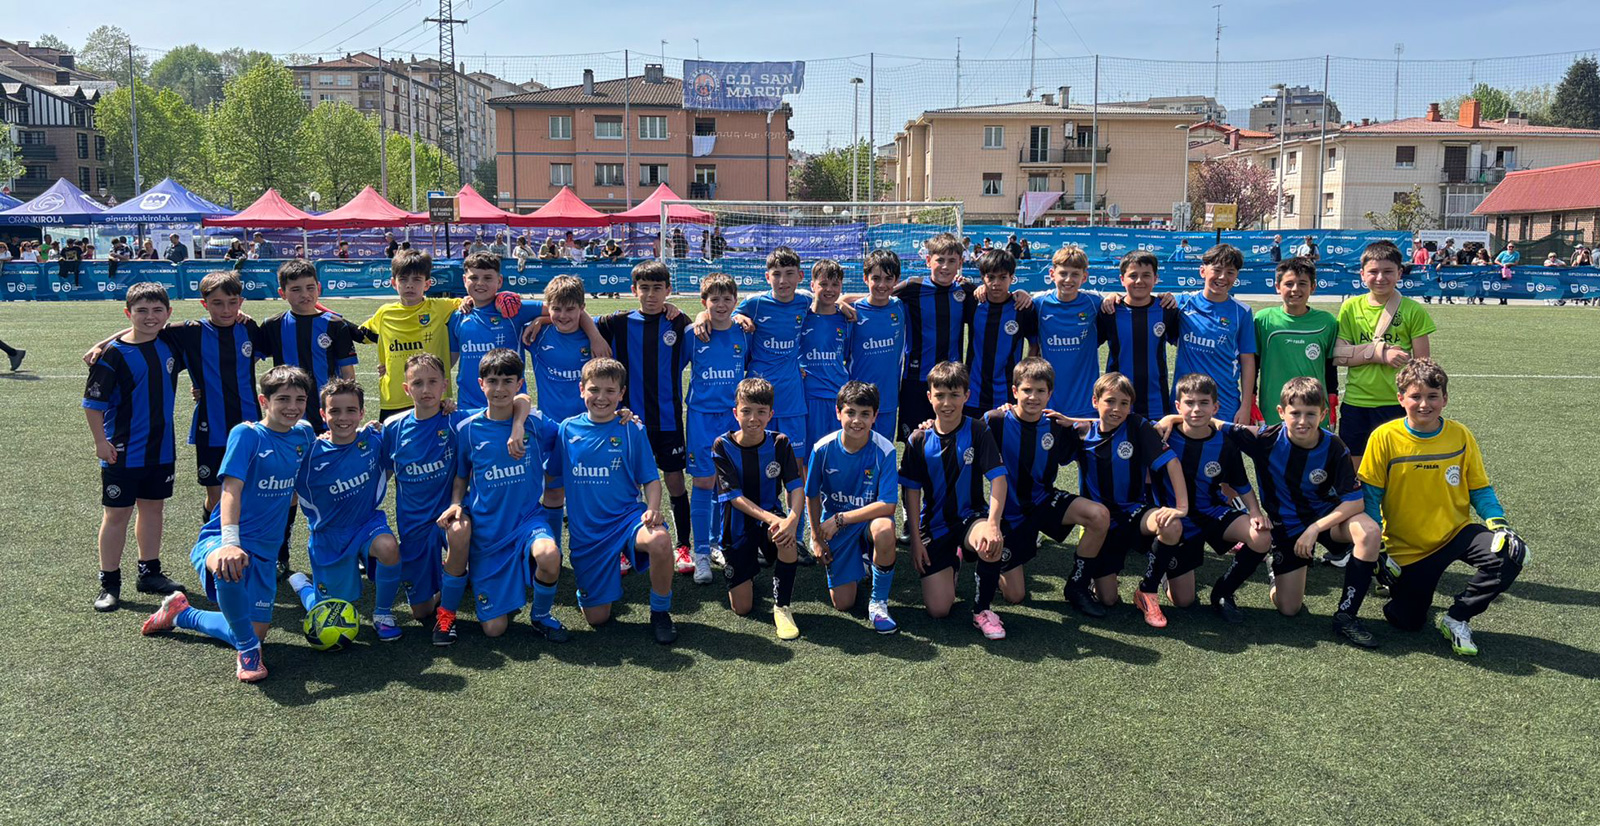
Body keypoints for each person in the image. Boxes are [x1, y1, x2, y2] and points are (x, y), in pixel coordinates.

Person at [140, 366, 317, 682]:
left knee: (252, 630)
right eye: (283, 399)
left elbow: (307, 478)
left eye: (300, 399)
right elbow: (231, 490)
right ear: (264, 401)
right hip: (222, 538)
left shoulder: (304, 434)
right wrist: (230, 542)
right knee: (229, 567)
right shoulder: (247, 435)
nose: (293, 406)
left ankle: (182, 614)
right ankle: (248, 653)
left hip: (266, 550)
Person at [1360, 359, 1525, 656]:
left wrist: (1499, 523)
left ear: (1445, 399)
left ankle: (1457, 617)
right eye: (1415, 396)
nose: (1424, 404)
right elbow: (1371, 496)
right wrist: (1377, 549)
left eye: (1433, 396)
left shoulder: (1460, 435)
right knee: (1408, 622)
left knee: (1510, 554)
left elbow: (1479, 488)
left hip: (1456, 533)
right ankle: (1395, 587)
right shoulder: (1384, 437)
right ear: (1400, 399)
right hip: (1408, 548)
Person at [1209, 376, 1383, 647]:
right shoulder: (1265, 438)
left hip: (1327, 520)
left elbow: (1355, 502)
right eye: (1295, 413)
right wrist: (1171, 419)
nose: (1303, 421)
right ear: (1281, 412)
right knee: (1289, 608)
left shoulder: (1334, 446)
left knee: (1369, 531)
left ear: (1323, 414)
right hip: (1287, 528)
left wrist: (1315, 529)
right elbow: (1213, 422)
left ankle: (1346, 616)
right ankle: (1275, 569)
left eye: (1311, 414)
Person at [434, 349, 564, 644]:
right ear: (481, 384)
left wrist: (618, 415)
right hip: (488, 533)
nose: (500, 388)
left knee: (549, 554)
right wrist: (456, 503)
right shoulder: (467, 428)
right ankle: (446, 614)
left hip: (527, 522)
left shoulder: (534, 423)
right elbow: (461, 475)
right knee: (494, 629)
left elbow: (571, 429)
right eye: (493, 381)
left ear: (519, 383)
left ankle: (541, 615)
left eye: (508, 381)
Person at [553, 357, 679, 644]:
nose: (601, 397)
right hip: (588, 535)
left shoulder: (631, 429)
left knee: (660, 540)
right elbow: (552, 482)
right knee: (598, 619)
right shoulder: (566, 430)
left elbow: (651, 480)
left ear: (621, 394)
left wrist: (653, 509)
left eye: (610, 391)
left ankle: (660, 611)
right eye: (594, 390)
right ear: (581, 390)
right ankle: (595, 584)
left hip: (626, 520)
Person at [83, 282, 189, 611]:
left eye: (157, 310)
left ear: (168, 313)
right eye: (141, 311)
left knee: (153, 509)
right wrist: (100, 442)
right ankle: (109, 583)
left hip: (162, 447)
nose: (150, 317)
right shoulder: (113, 355)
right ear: (128, 313)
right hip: (123, 449)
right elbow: (93, 404)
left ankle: (149, 572)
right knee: (117, 514)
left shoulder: (170, 343)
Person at [982, 357, 1109, 614]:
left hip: (1043, 501)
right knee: (1015, 596)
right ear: (1014, 391)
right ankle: (982, 555)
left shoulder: (1056, 424)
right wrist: (928, 425)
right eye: (1027, 390)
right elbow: (961, 432)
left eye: (1040, 391)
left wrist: (1072, 421)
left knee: (1099, 515)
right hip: (1008, 513)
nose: (1033, 397)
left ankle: (1077, 585)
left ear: (1050, 394)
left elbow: (1111, 423)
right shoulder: (995, 420)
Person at [286, 378, 404, 640]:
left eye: (351, 410)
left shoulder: (372, 440)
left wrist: (446, 405)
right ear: (322, 414)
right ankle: (304, 588)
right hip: (330, 537)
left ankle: (383, 613)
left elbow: (403, 436)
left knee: (388, 547)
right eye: (335, 411)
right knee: (329, 615)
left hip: (366, 524)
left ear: (361, 413)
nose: (343, 418)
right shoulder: (308, 455)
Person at [596, 260, 693, 574]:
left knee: (675, 481)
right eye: (644, 288)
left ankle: (683, 546)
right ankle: (624, 546)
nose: (651, 295)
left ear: (668, 290)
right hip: (628, 421)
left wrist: (679, 310)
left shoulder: (678, 322)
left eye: (657, 288)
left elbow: (707, 322)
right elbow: (576, 316)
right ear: (633, 290)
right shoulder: (616, 322)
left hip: (667, 420)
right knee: (627, 484)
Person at [902, 361, 1010, 638]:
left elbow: (998, 479)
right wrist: (916, 541)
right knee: (939, 609)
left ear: (966, 395)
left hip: (970, 517)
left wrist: (993, 524)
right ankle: (955, 560)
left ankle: (982, 611)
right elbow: (911, 493)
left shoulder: (978, 431)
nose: (947, 403)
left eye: (954, 395)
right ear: (929, 397)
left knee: (989, 541)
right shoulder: (918, 439)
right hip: (935, 525)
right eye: (940, 395)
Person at [1152, 374, 1272, 622]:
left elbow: (1241, 484)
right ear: (1178, 406)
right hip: (1178, 521)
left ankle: (1223, 591)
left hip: (1212, 511)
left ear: (1215, 407)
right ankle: (1165, 567)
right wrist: (1168, 419)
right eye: (1190, 403)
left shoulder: (1225, 442)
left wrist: (1255, 512)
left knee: (1261, 537)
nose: (1196, 409)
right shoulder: (1163, 434)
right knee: (1183, 601)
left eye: (1204, 403)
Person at [1074, 373, 1187, 628]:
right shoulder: (1080, 433)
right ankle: (1094, 574)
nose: (1117, 409)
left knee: (1171, 524)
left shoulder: (1137, 426)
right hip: (1102, 523)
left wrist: (1181, 507)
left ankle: (1148, 590)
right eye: (1110, 401)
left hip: (1135, 512)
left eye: (1124, 403)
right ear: (1095, 401)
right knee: (1108, 599)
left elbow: (1171, 462)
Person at [712, 378, 806, 638]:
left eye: (761, 411)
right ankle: (747, 570)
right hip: (736, 527)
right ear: (736, 412)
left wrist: (792, 519)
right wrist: (775, 520)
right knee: (742, 608)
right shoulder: (722, 445)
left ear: (771, 414)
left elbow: (796, 487)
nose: (753, 418)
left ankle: (782, 606)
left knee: (786, 539)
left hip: (769, 521)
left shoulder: (780, 443)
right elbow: (735, 498)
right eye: (746, 411)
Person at [1334, 241, 1435, 481]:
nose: (1380, 277)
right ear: (1362, 274)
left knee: (1395, 469)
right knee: (1354, 471)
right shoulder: (1350, 307)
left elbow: (1422, 365)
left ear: (1399, 273)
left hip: (1396, 402)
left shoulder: (1413, 310)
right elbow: (1339, 355)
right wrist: (1381, 353)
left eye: (1388, 271)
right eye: (1373, 271)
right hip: (1356, 402)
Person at [806, 381, 900, 634]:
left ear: (875, 416)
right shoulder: (822, 449)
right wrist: (816, 538)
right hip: (837, 528)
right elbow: (811, 495)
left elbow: (888, 504)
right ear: (838, 413)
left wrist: (841, 518)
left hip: (865, 520)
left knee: (884, 530)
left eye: (865, 414)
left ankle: (878, 603)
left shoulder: (885, 450)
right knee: (843, 603)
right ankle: (863, 559)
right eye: (850, 412)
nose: (857, 421)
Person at [684, 273, 751, 583]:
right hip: (701, 418)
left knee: (726, 483)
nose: (721, 305)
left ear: (735, 302)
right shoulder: (693, 334)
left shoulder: (743, 333)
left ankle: (716, 544)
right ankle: (700, 553)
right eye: (714, 299)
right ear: (704, 302)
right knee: (703, 481)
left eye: (727, 299)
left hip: (733, 418)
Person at [1170, 244, 1257, 425]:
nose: (1223, 277)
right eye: (1217, 270)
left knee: (1223, 444)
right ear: (1202, 271)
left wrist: (1246, 406)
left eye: (1230, 272)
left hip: (1225, 402)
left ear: (1236, 276)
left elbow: (1247, 360)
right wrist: (1113, 297)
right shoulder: (1181, 303)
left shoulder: (1242, 312)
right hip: (1186, 402)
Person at [1255, 257, 1339, 426]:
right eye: (1289, 284)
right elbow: (1253, 363)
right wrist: (1251, 397)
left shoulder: (1327, 322)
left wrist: (1332, 398)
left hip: (1314, 408)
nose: (1295, 289)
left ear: (1313, 287)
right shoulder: (1263, 320)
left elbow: (1330, 366)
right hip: (1273, 408)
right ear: (1277, 287)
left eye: (1302, 283)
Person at [526, 274, 607, 425]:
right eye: (556, 309)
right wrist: (541, 319)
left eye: (570, 309)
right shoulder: (537, 334)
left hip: (589, 425)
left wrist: (595, 337)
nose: (563, 316)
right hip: (551, 425)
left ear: (582, 308)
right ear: (548, 307)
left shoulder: (600, 332)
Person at [1031, 245, 1101, 418]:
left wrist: (1114, 297)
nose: (1068, 279)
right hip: (1048, 402)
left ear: (1084, 277)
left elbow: (1123, 302)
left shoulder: (1094, 302)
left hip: (1085, 403)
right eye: (1063, 273)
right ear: (1052, 274)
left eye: (1075, 274)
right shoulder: (1039, 303)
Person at [847, 249, 908, 440]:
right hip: (857, 400)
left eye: (888, 279)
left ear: (896, 280)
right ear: (865, 279)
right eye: (876, 278)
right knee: (855, 449)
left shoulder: (899, 306)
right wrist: (841, 301)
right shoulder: (852, 312)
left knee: (882, 450)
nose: (882, 285)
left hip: (888, 399)